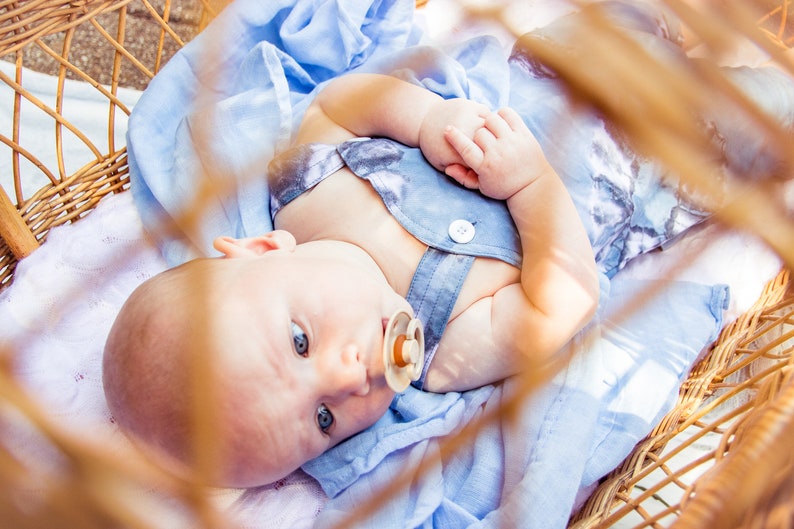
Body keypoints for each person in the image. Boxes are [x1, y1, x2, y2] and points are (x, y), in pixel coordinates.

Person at [103, 0, 794, 490]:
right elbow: (563, 302)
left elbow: (339, 102)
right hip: (651, 170)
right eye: (323, 419)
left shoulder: (306, 189)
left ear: (258, 250)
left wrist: (427, 116)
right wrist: (527, 186)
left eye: (300, 341)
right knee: (771, 113)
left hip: (556, 72)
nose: (349, 377)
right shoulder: (443, 348)